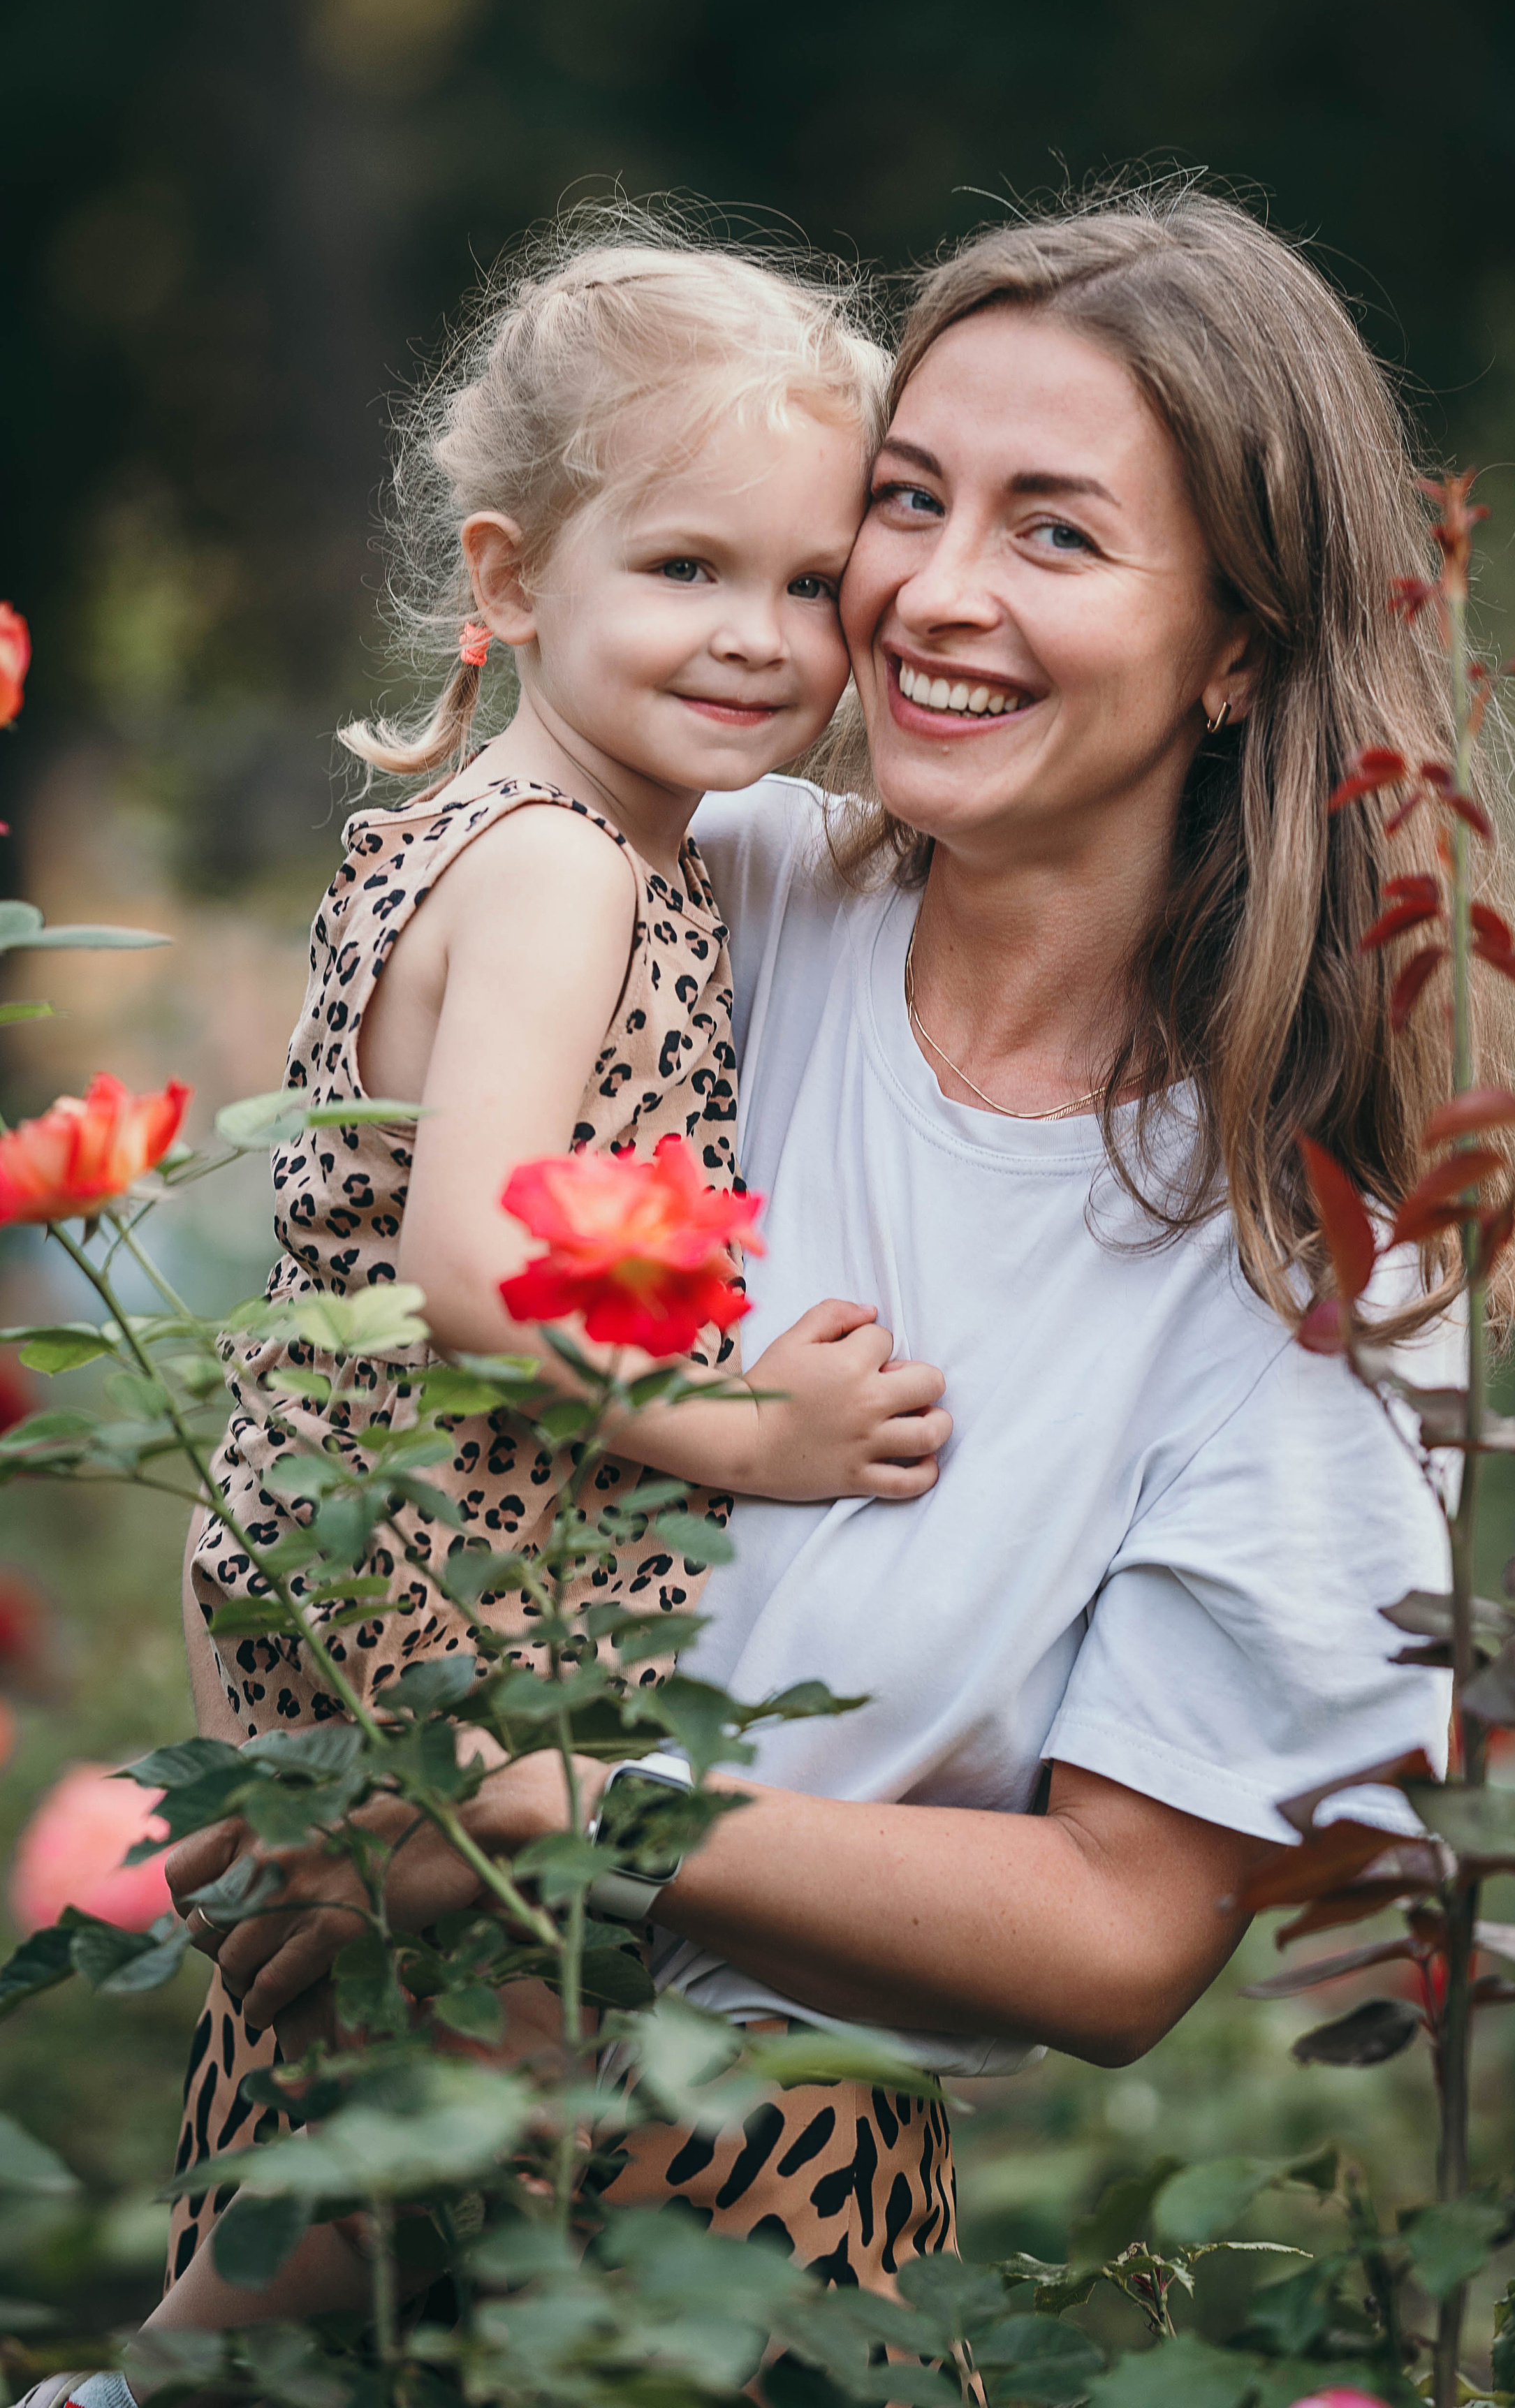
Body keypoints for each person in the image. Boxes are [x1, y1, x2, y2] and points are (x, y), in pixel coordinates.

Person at [163, 184, 1515, 2302]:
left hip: (750, 2203)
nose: (929, 595)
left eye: (1058, 533)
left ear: (1236, 655)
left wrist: (546, 1804)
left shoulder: (1317, 1253)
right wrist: (293, 1740)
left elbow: (1117, 1936)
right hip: (331, 2086)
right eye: (908, 500)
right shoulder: (674, 875)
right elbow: (347, 1315)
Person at [154, 216, 954, 2330]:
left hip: (402, 1528)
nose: (765, 639)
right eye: (687, 570)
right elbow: (473, 1276)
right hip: (422, 1547)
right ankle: (149, 2387)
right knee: (471, 2119)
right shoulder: (556, 872)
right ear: (509, 581)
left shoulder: (566, 838)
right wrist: (753, 1441)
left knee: (424, 2105)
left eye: (807, 584)